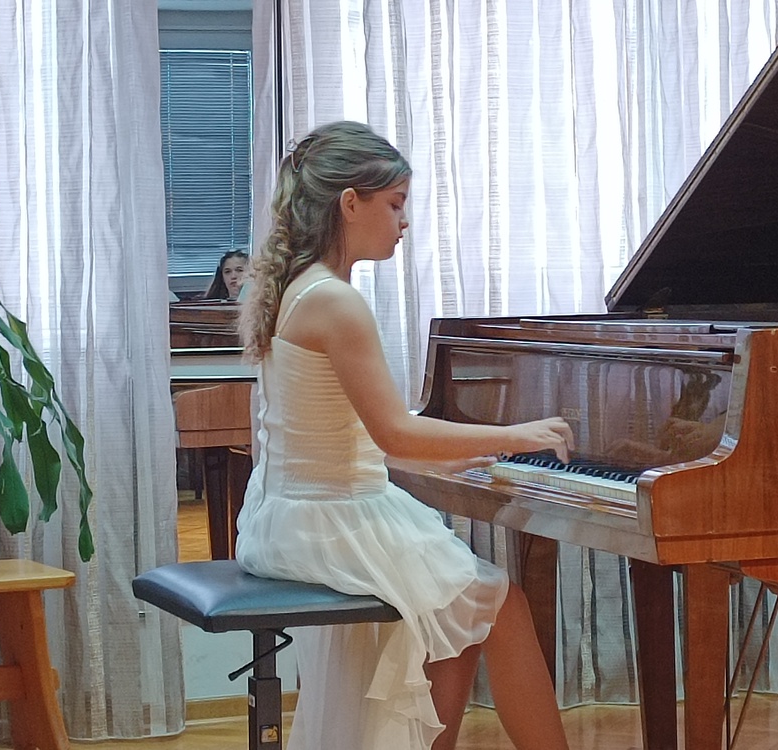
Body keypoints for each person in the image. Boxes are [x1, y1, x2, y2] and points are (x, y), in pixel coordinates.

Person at [236, 120, 573, 750]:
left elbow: (340, 436)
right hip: (328, 518)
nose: (404, 221)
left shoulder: (303, 287)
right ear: (350, 203)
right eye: (395, 204)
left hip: (295, 510)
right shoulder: (335, 301)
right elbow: (395, 434)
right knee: (500, 603)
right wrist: (514, 436)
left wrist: (445, 461)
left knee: (462, 617)